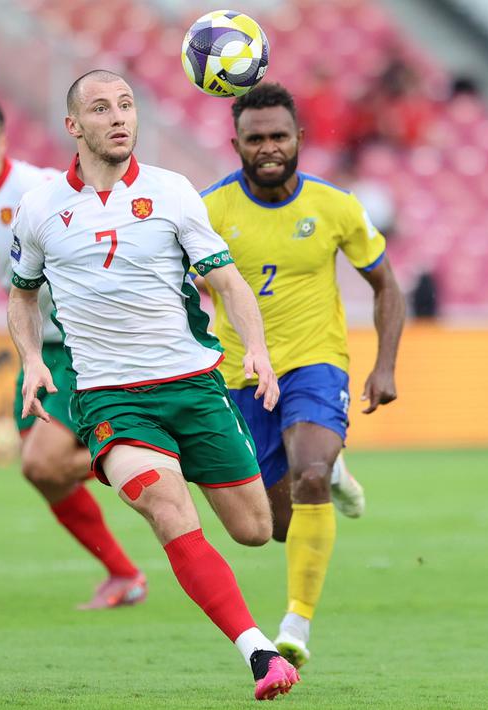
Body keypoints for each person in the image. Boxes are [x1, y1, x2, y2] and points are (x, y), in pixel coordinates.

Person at [8, 69, 301, 701]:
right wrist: (32, 359)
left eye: (126, 105)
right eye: (101, 108)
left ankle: (174, 460)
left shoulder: (172, 193)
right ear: (73, 125)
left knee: (255, 530)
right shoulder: (39, 208)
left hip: (194, 388)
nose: (118, 117)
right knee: (168, 510)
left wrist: (256, 349)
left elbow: (227, 282)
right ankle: (259, 654)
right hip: (110, 398)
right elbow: (21, 294)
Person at [200, 83, 406, 670]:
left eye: (278, 136)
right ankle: (331, 467)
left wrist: (384, 363)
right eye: (255, 138)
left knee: (307, 473)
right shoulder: (210, 211)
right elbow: (184, 294)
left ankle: (295, 625)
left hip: (315, 361)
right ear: (236, 142)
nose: (268, 147)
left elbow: (386, 284)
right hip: (242, 374)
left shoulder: (334, 206)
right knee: (271, 526)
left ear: (300, 140)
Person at [0, 95, 146, 610]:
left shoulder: (37, 189)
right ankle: (123, 574)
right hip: (38, 347)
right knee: (41, 472)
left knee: (43, 461)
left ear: (1, 140)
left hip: (83, 341)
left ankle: (153, 444)